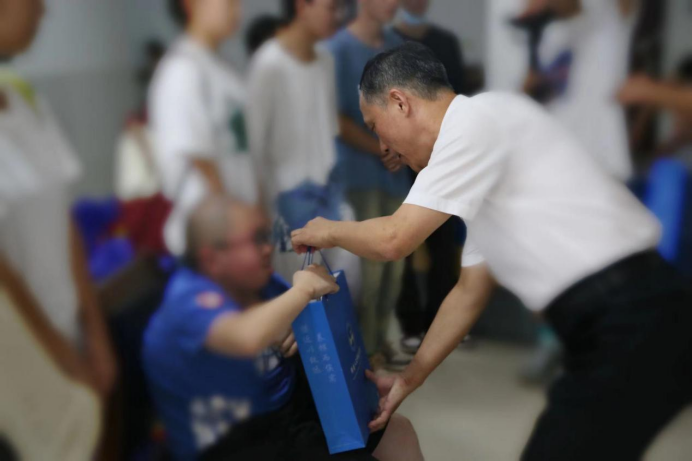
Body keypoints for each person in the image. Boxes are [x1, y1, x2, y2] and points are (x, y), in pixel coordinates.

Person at [291, 42, 692, 460]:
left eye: (376, 126)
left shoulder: (474, 122)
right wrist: (409, 379)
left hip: (630, 314)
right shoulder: (481, 151)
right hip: (624, 322)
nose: (383, 147)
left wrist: (328, 230)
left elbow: (395, 238)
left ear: (400, 102)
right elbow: (469, 292)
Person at [142, 196, 424, 461]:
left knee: (399, 433)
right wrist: (302, 292)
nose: (268, 248)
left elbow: (286, 322)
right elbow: (245, 337)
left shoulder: (260, 283)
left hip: (291, 413)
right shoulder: (187, 300)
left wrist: (299, 327)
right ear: (212, 258)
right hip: (239, 440)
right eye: (255, 240)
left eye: (265, 236)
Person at [0, 0, 116, 403]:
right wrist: (61, 356)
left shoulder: (23, 98)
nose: (43, 11)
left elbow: (61, 219)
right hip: (23, 362)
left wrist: (94, 332)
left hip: (68, 335)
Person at [327, 0, 411, 367]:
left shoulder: (398, 48)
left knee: (395, 270)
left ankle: (378, 338)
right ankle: (363, 350)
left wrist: (401, 147)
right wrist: (380, 146)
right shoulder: (336, 50)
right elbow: (334, 118)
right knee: (367, 272)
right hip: (356, 176)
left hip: (396, 174)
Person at [149, 0, 257, 256]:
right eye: (228, 2)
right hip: (214, 239)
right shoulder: (182, 69)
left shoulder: (220, 67)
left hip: (238, 231)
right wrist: (232, 227)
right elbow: (199, 158)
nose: (237, 11)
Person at [392, 0, 465, 354]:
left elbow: (458, 95)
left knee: (443, 239)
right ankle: (409, 324)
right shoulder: (388, 42)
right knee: (402, 241)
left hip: (442, 155)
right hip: (399, 158)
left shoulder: (445, 42)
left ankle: (442, 323)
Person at [519, 0, 640, 182]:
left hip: (601, 165)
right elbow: (535, 99)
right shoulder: (549, 35)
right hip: (555, 167)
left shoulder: (608, 20)